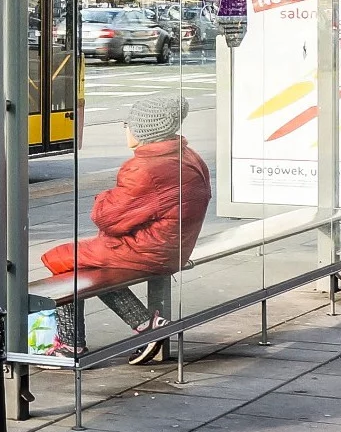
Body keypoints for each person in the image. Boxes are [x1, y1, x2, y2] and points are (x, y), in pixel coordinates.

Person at [40, 92, 212, 363]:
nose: (125, 129)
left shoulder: (145, 168)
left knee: (62, 260)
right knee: (89, 267)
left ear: (143, 130)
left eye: (127, 124)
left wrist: (102, 197)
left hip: (146, 250)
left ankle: (73, 345)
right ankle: (145, 325)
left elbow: (107, 218)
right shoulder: (187, 156)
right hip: (172, 246)